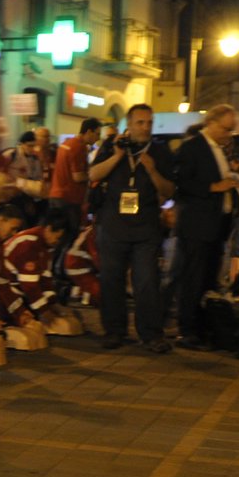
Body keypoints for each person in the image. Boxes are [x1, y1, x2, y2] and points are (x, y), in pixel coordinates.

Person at [86, 103, 175, 350]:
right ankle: (114, 331)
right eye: (140, 122)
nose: (145, 127)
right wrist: (116, 156)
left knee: (146, 280)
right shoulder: (112, 145)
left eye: (149, 123)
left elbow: (168, 191)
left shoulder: (160, 151)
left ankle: (151, 334)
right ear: (129, 124)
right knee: (111, 280)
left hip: (146, 226)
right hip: (113, 225)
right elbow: (94, 175)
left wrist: (152, 170)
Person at [169, 104, 239, 350]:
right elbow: (182, 182)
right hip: (197, 226)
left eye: (230, 130)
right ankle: (187, 330)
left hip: (216, 225)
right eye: (225, 129)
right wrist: (213, 187)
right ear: (211, 123)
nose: (228, 134)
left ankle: (202, 327)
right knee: (193, 279)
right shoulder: (193, 148)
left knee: (208, 279)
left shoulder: (219, 150)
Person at [48, 118, 99, 227]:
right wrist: (93, 175)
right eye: (97, 134)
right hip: (69, 199)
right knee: (69, 235)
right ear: (89, 132)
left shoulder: (66, 143)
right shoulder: (79, 147)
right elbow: (78, 177)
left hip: (56, 195)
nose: (98, 138)